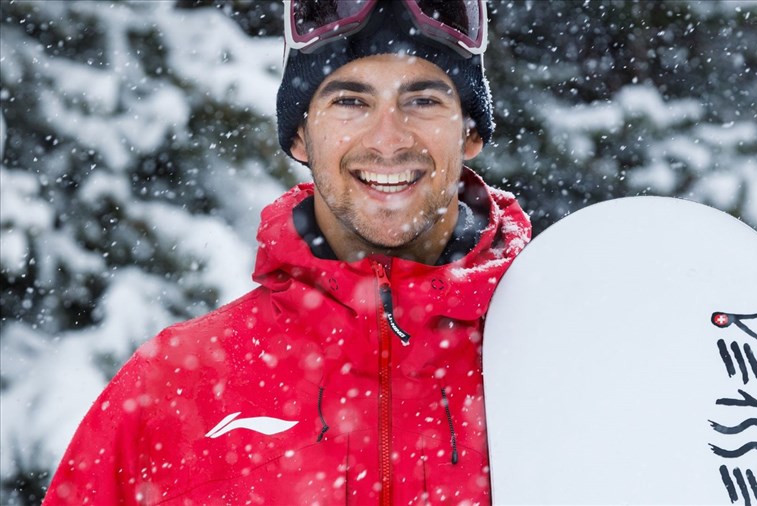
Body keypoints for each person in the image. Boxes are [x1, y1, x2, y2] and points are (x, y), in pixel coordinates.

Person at [43, 0, 531, 504]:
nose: (389, 140)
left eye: (423, 100)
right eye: (351, 102)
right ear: (299, 133)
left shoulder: (556, 356)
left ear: (470, 130)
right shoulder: (176, 383)